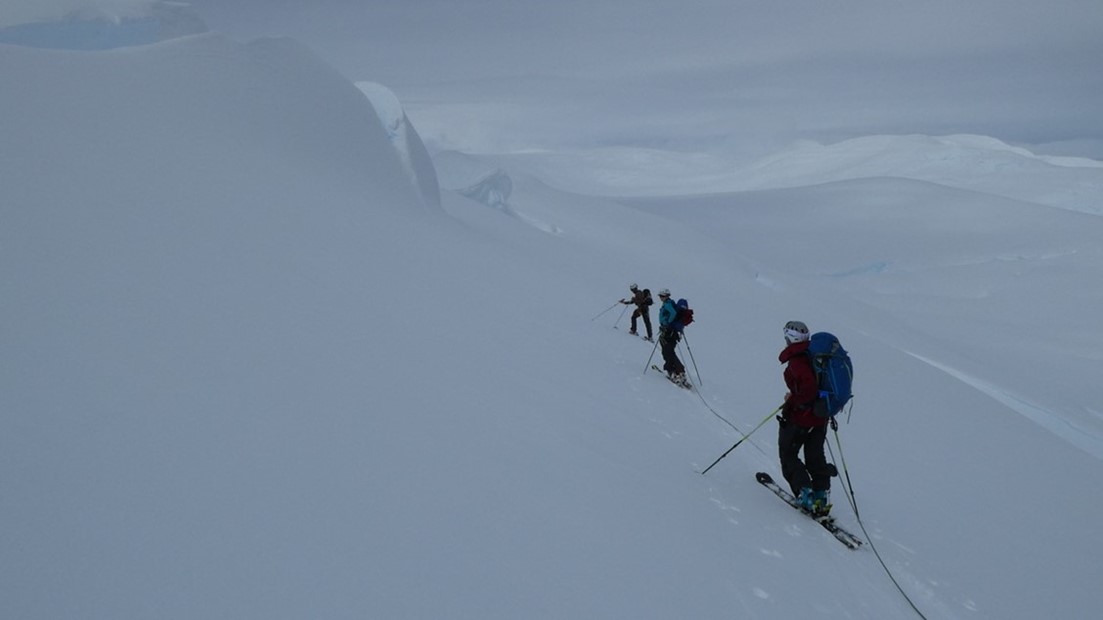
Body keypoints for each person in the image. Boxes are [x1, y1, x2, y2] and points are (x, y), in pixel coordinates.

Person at [777, 320, 834, 516]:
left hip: (802, 418)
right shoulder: (816, 356)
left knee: (788, 454)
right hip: (821, 416)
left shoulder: (798, 361)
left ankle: (805, 493)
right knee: (815, 456)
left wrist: (793, 400)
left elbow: (807, 389)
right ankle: (821, 495)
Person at [657, 289, 687, 385]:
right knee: (668, 351)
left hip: (669, 331)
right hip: (672, 332)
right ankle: (677, 371)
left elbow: (673, 313)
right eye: (660, 296)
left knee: (667, 351)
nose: (660, 297)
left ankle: (676, 371)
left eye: (662, 296)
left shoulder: (668, 304)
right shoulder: (669, 303)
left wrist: (667, 324)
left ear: (666, 296)